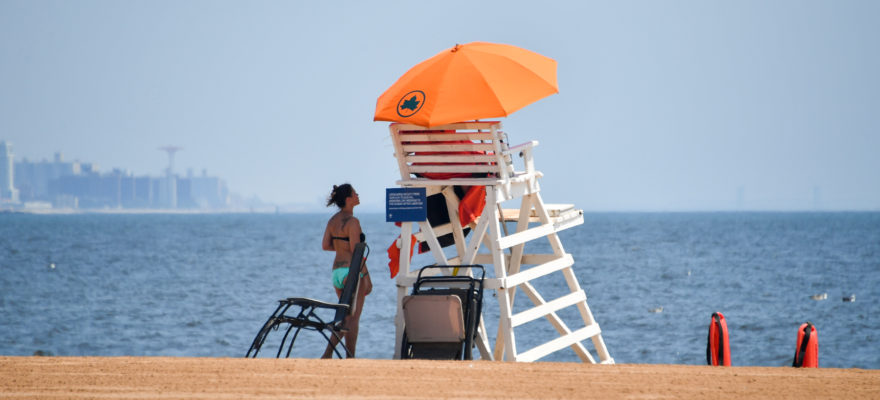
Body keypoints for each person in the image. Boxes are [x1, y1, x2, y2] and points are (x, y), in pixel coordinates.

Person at [320, 183, 371, 358]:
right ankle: (333, 354)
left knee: (346, 315)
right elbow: (357, 251)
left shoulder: (332, 221)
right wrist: (366, 275)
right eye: (355, 193)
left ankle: (347, 356)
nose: (358, 195)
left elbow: (326, 246)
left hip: (336, 273)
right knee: (353, 318)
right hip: (351, 271)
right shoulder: (353, 222)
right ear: (348, 199)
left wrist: (341, 246)